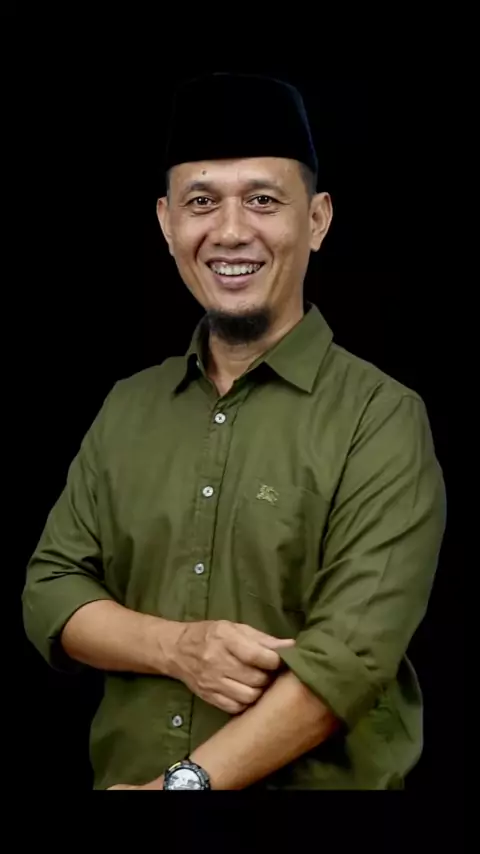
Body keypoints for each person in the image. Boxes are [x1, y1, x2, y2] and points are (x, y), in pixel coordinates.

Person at [22, 72, 446, 791]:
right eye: (201, 202)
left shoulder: (380, 417)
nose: (229, 232)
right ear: (167, 224)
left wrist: (179, 787)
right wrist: (177, 647)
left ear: (317, 220)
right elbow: (51, 590)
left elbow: (349, 658)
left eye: (262, 200)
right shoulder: (128, 407)